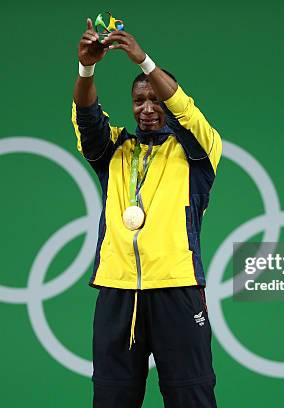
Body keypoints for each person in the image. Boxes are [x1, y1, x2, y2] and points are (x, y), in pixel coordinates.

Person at [71, 17, 222, 408]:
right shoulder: (114, 151)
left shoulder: (198, 153)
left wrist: (144, 62)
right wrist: (87, 68)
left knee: (192, 399)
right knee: (110, 400)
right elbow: (86, 118)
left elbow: (186, 112)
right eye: (140, 101)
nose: (149, 109)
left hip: (177, 289)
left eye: (156, 99)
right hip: (118, 293)